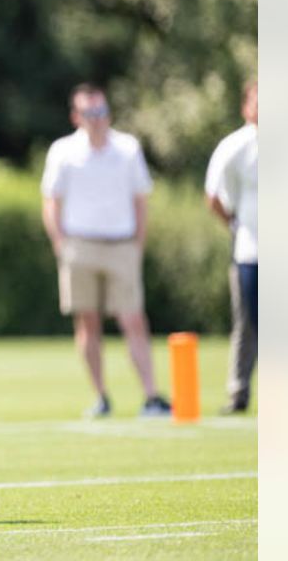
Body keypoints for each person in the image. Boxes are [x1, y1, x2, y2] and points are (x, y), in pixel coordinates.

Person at [40, 84, 172, 418]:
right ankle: (101, 396)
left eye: (101, 111)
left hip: (120, 244)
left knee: (133, 319)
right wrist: (60, 243)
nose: (97, 119)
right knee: (88, 323)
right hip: (80, 245)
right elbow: (51, 201)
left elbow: (140, 200)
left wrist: (137, 244)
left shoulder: (127, 148)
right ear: (76, 117)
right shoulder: (63, 151)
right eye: (89, 113)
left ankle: (151, 395)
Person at [205, 81, 258, 414]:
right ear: (246, 106)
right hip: (251, 251)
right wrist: (235, 225)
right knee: (248, 323)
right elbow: (213, 196)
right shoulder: (236, 146)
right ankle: (238, 392)